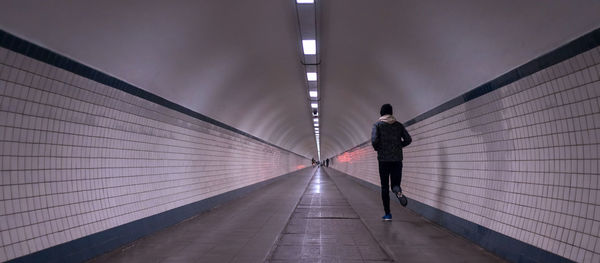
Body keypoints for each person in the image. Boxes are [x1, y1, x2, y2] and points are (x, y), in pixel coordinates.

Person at [371, 103, 412, 221]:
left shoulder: (377, 125)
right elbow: (408, 139)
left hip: (383, 160)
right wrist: (399, 146)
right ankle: (397, 190)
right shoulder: (399, 125)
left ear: (381, 113)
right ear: (392, 113)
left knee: (384, 187)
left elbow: (374, 140)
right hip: (397, 159)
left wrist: (378, 148)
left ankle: (388, 214)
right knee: (395, 184)